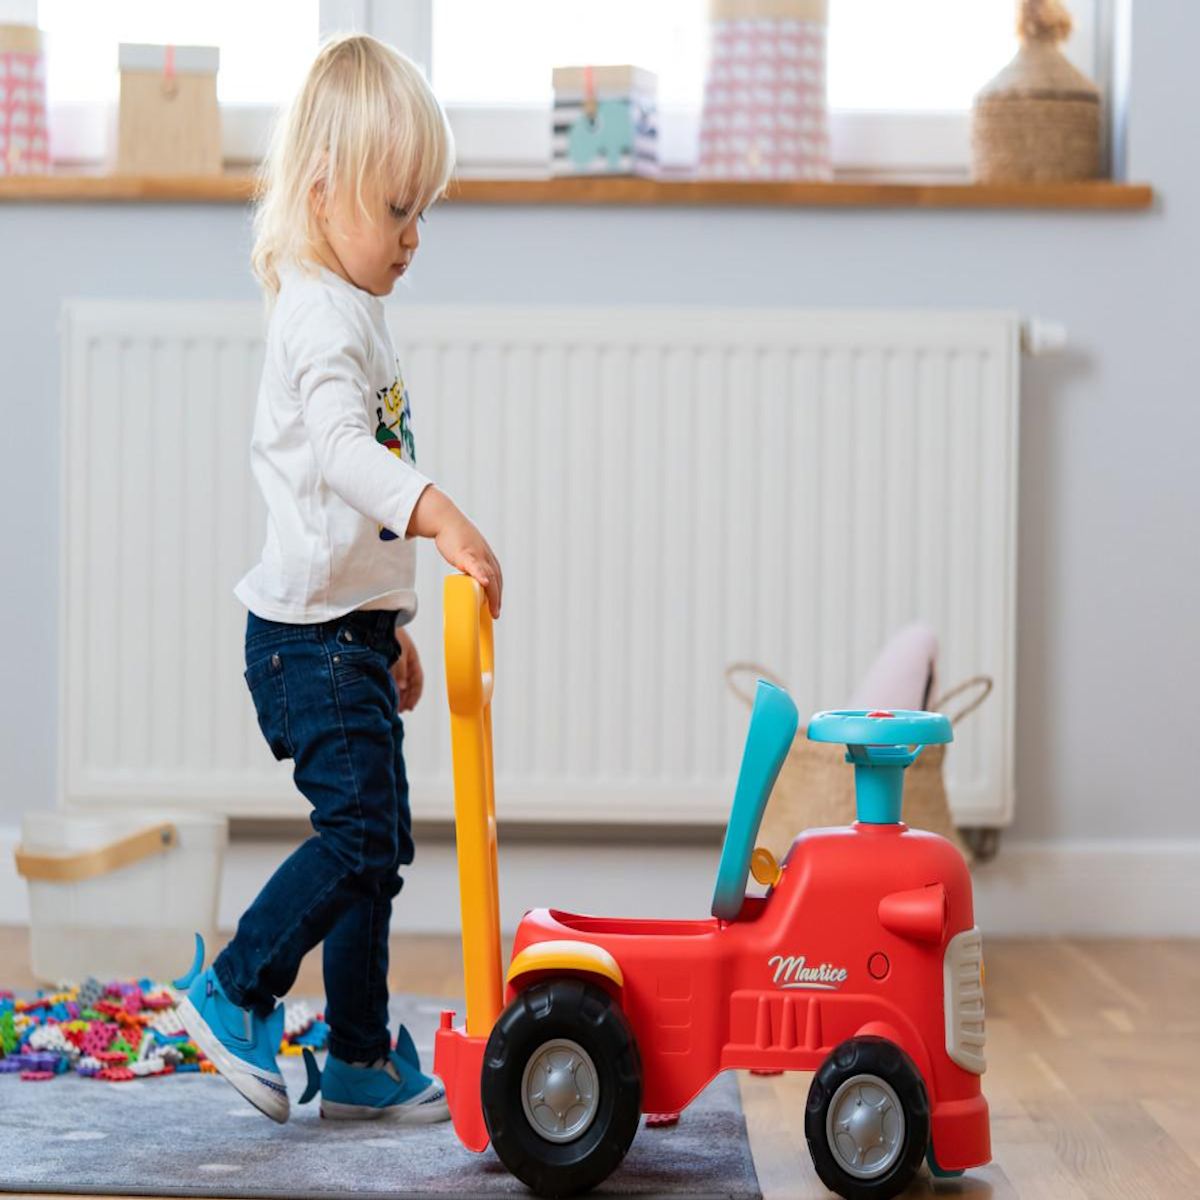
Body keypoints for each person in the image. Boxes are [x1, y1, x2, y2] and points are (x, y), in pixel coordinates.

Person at [173, 33, 503, 1125]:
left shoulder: (354, 306)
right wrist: (441, 514)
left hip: (342, 629)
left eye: (424, 212)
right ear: (323, 194)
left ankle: (359, 1051)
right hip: (303, 643)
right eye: (396, 209)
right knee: (362, 834)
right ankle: (234, 987)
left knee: (379, 846)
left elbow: (341, 516)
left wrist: (390, 616)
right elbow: (343, 459)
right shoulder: (318, 313)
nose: (415, 237)